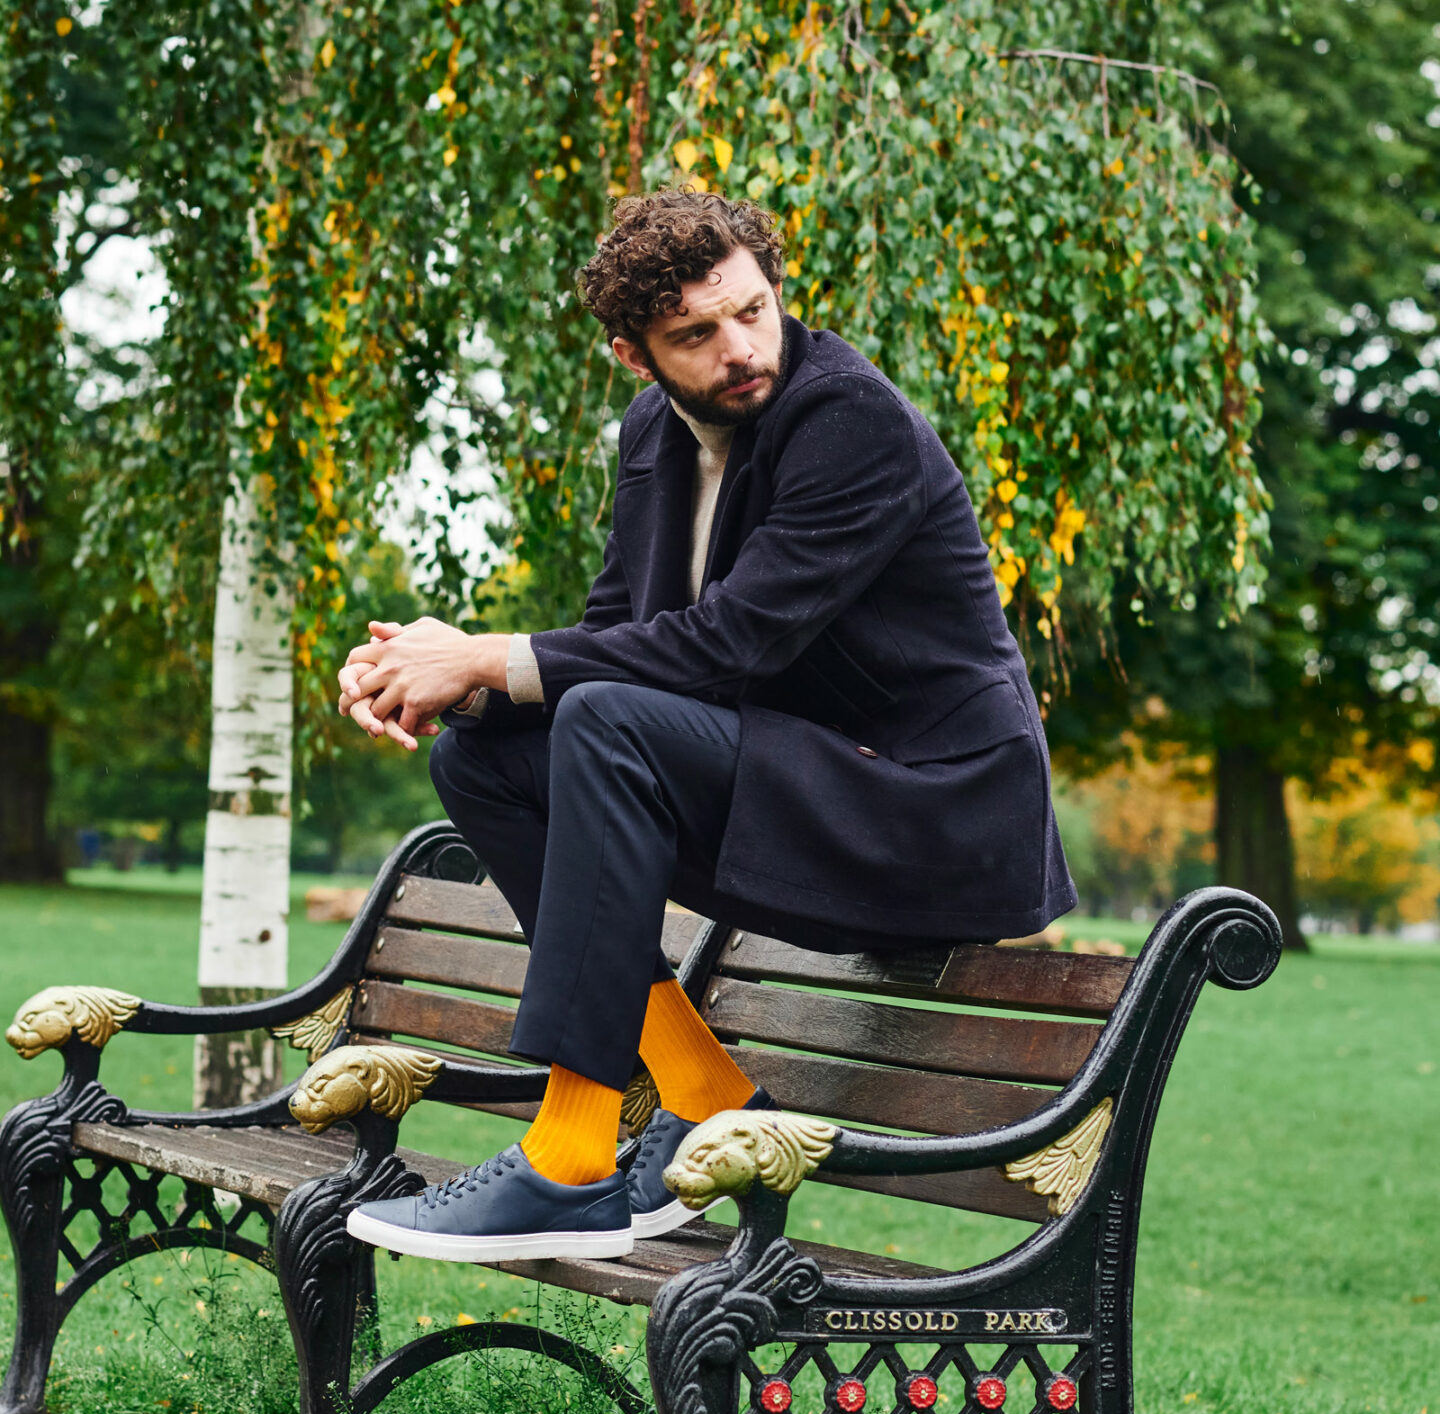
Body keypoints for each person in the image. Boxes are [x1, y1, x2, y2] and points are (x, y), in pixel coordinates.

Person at [334, 189, 1076, 1264]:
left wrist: (485, 653)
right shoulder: (654, 435)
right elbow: (616, 633)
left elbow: (730, 648)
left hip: (929, 814)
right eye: (696, 334)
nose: (740, 349)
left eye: (754, 310)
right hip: (800, 794)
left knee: (605, 722)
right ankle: (703, 1087)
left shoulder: (847, 420)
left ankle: (573, 1158)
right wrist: (440, 679)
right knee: (486, 757)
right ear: (636, 356)